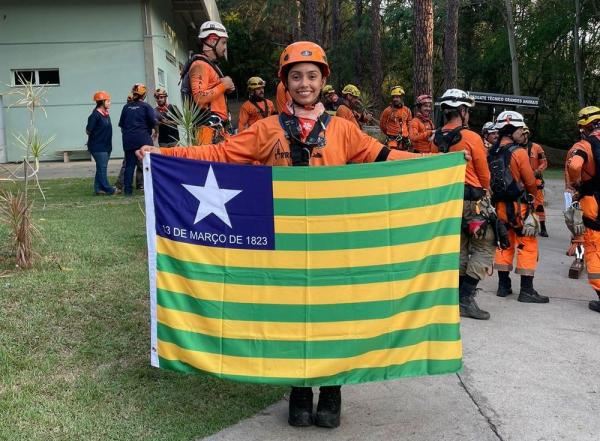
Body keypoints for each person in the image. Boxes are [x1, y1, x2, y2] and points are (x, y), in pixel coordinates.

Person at [138, 41, 445, 429]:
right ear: (285, 82)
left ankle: (332, 388)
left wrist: (437, 162)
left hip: (334, 241)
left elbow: (383, 157)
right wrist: (164, 156)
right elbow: (220, 155)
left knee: (334, 313)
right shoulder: (266, 129)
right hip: (283, 243)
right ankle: (300, 389)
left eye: (312, 76)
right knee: (295, 313)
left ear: (323, 81)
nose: (304, 83)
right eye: (296, 76)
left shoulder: (344, 130)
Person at [432, 89, 493, 320]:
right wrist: (487, 192)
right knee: (484, 246)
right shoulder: (472, 138)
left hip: (448, 202)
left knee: (458, 247)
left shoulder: (435, 138)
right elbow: (483, 173)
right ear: (463, 111)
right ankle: (466, 298)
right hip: (473, 203)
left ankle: (455, 298)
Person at [489, 110, 548, 303]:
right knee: (527, 244)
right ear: (510, 129)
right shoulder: (519, 152)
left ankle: (503, 286)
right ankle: (527, 290)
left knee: (503, 244)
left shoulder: (492, 151)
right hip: (518, 207)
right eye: (520, 129)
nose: (523, 133)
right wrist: (532, 195)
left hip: (499, 207)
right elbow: (530, 181)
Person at [565, 106, 600, 312]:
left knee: (593, 248)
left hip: (592, 201)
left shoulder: (583, 145)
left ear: (583, 126)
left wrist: (577, 184)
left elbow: (575, 166)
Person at [180, 21, 234, 144]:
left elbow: (212, 92)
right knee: (208, 163)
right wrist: (223, 85)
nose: (225, 47)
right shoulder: (199, 65)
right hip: (207, 130)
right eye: (223, 42)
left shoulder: (210, 66)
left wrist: (225, 87)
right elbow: (199, 98)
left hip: (217, 129)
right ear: (212, 40)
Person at [118, 83, 157, 195]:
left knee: (129, 165)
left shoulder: (126, 107)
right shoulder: (146, 107)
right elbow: (154, 122)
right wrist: (156, 132)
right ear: (144, 95)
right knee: (147, 163)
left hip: (128, 140)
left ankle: (128, 191)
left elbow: (122, 125)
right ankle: (150, 188)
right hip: (143, 139)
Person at [86, 91, 116, 195]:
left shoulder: (106, 114)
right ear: (102, 102)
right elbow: (88, 130)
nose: (110, 103)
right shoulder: (95, 115)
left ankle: (98, 189)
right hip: (98, 147)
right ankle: (109, 189)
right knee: (102, 168)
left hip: (106, 146)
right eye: (108, 101)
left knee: (100, 168)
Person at [522, 126, 548, 237]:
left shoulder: (536, 147)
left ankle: (543, 227)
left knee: (539, 205)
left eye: (525, 134)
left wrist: (538, 171)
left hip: (535, 180)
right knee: (522, 203)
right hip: (521, 180)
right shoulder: (514, 148)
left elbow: (544, 162)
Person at [380, 86, 412, 150]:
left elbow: (409, 123)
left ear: (402, 98)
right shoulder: (387, 111)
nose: (395, 99)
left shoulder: (407, 110)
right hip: (392, 141)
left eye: (397, 97)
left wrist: (407, 134)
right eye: (394, 97)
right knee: (392, 157)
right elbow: (382, 125)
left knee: (405, 158)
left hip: (404, 141)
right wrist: (390, 133)